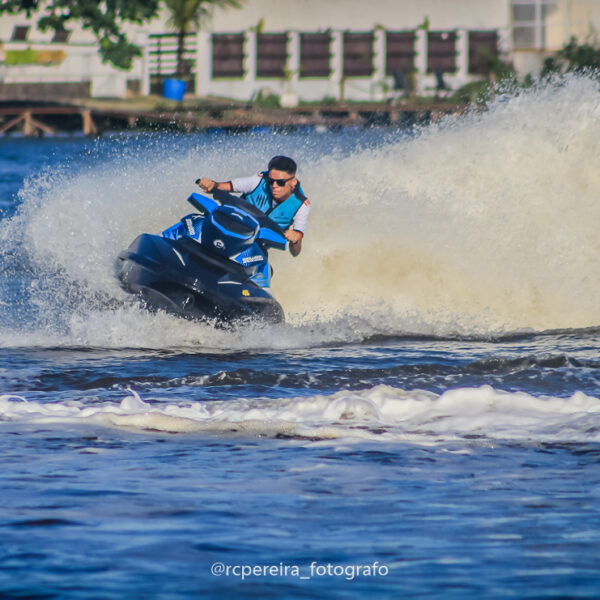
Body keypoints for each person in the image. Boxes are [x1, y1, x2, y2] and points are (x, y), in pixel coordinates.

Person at [197, 155, 310, 257]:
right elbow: (222, 186)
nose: (274, 186)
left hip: (253, 249)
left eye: (280, 182)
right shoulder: (258, 181)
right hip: (229, 229)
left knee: (266, 270)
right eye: (271, 181)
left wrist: (296, 240)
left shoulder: (301, 205)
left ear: (293, 182)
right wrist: (211, 184)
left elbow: (295, 252)